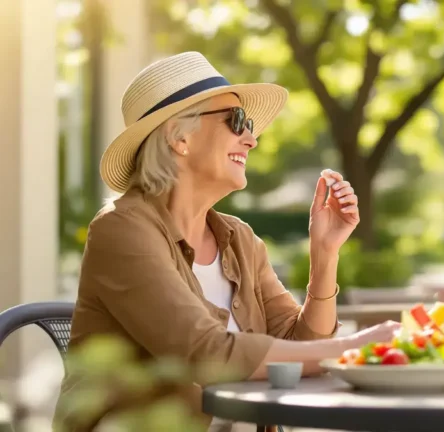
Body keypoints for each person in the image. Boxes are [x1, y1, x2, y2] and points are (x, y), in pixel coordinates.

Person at [52, 52, 398, 432]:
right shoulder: (121, 230)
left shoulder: (239, 239)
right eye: (236, 122)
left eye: (248, 125)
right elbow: (206, 354)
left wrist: (325, 254)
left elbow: (300, 349)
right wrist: (356, 348)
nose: (251, 139)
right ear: (179, 137)